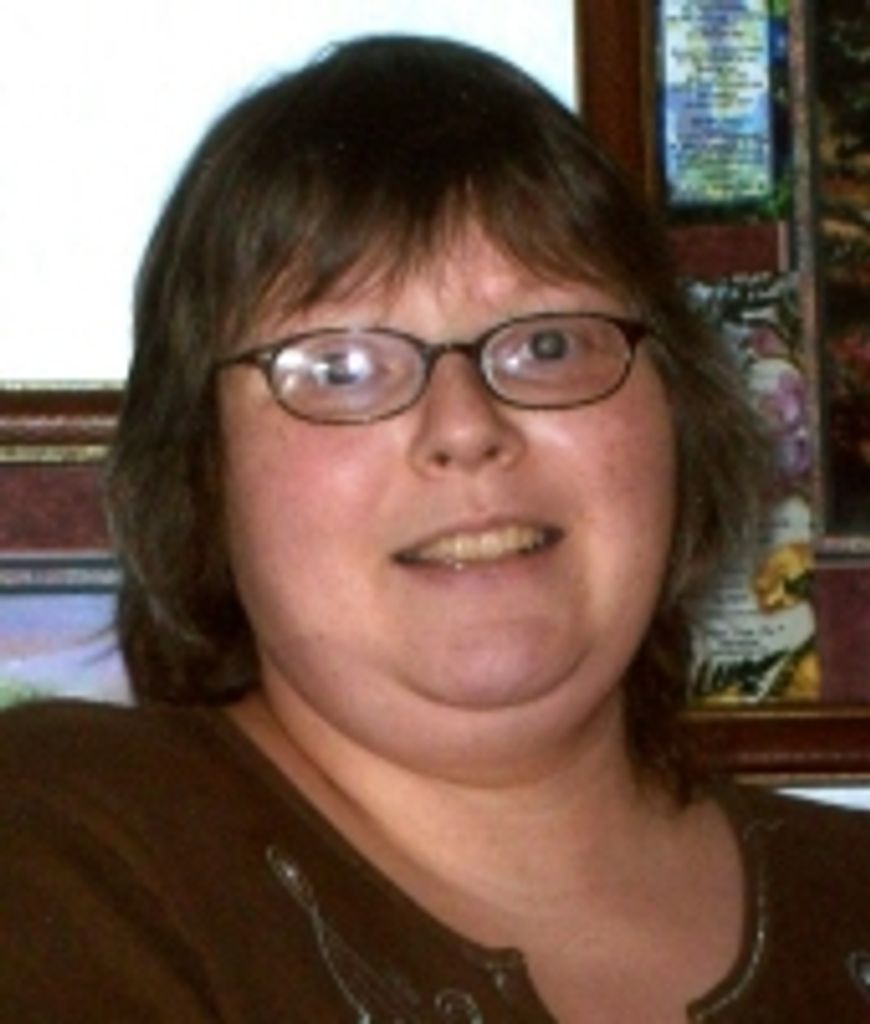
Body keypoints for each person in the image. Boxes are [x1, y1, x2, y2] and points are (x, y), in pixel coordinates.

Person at [1, 34, 869, 1024]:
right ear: (202, 469)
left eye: (549, 344)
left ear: (681, 415)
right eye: (339, 368)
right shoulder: (68, 851)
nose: (465, 427)